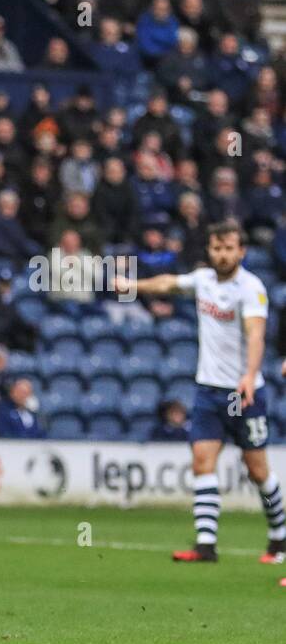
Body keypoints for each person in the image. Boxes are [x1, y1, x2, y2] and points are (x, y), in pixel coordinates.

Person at [117, 221, 282, 564]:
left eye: (229, 249)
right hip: (208, 390)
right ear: (209, 250)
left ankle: (279, 537)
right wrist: (133, 285)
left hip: (241, 392)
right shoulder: (203, 280)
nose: (222, 255)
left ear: (241, 251)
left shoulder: (251, 288)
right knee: (202, 462)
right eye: (217, 248)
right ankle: (206, 545)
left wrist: (250, 376)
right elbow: (168, 283)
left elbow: (256, 334)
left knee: (257, 470)